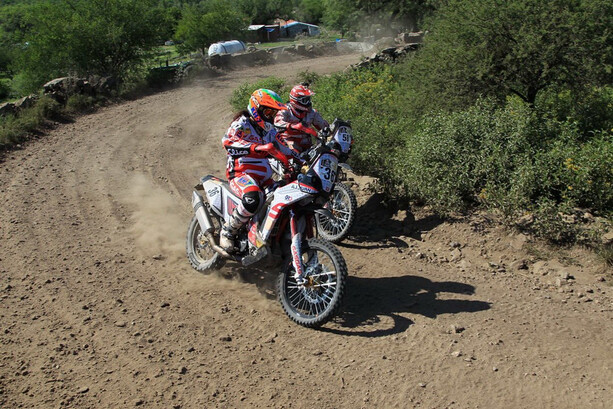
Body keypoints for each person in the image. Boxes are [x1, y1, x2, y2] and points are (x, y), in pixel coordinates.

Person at [220, 89, 291, 251]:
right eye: (268, 111)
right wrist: (257, 147)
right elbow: (228, 143)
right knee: (253, 197)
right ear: (256, 108)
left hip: (264, 177)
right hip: (240, 174)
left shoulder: (271, 130)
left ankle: (266, 235)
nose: (271, 116)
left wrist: (304, 158)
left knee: (283, 196)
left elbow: (286, 149)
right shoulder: (241, 123)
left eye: (274, 113)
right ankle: (228, 231)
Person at [274, 83, 330, 154]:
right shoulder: (285, 110)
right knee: (294, 155)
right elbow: (277, 122)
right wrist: (292, 126)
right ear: (295, 100)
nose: (308, 102)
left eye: (309, 99)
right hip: (289, 143)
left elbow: (324, 126)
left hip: (307, 146)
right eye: (305, 100)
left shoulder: (312, 113)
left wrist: (331, 130)